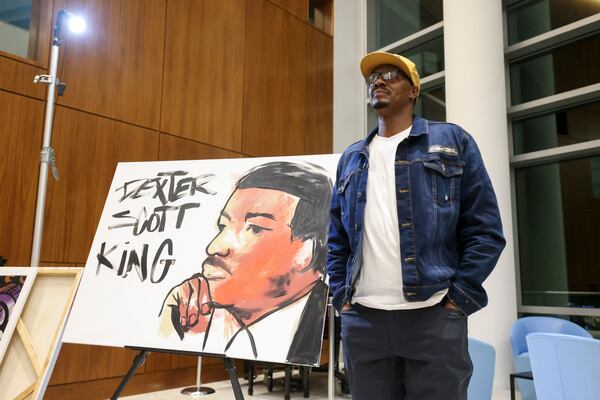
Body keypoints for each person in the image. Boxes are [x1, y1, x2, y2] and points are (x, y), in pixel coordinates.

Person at [326, 51, 506, 399]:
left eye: (390, 75)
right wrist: (341, 298)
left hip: (433, 317)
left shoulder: (452, 141)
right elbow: (337, 240)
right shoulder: (352, 158)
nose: (378, 81)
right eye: (373, 78)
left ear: (413, 91)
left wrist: (457, 300)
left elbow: (485, 230)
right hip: (364, 320)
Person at [159, 161, 332, 365]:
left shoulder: (316, 321)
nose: (214, 247)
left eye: (255, 228)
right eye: (222, 226)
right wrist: (168, 324)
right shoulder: (202, 313)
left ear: (305, 251)